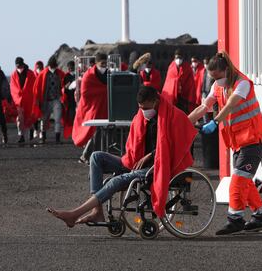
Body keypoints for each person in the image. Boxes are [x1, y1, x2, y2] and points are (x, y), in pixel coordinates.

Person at [47, 86, 197, 227]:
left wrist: (149, 156)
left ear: (156, 101)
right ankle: (97, 211)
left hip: (155, 167)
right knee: (96, 157)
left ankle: (74, 214)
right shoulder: (141, 116)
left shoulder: (174, 116)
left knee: (118, 180)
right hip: (134, 162)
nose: (143, 111)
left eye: (145, 108)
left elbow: (174, 147)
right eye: (140, 108)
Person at [188, 51, 262, 235]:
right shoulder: (218, 86)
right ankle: (261, 217)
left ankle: (235, 219)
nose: (216, 81)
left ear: (226, 70)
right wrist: (185, 123)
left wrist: (215, 121)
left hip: (253, 139)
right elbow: (204, 106)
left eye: (218, 77)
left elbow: (231, 104)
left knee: (238, 181)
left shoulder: (242, 83)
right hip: (239, 141)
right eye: (212, 78)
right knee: (246, 182)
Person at [72, 53, 108, 163]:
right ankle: (86, 156)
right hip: (91, 107)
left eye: (105, 63)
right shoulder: (88, 75)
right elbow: (85, 92)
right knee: (95, 131)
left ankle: (89, 156)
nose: (104, 65)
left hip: (103, 106)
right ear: (96, 63)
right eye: (102, 63)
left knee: (99, 131)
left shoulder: (108, 73)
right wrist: (105, 90)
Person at [33, 56, 65, 144]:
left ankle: (57, 138)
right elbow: (37, 87)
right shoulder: (43, 74)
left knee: (57, 119)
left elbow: (64, 82)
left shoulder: (59, 73)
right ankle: (43, 137)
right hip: (46, 100)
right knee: (44, 119)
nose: (53, 68)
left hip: (56, 100)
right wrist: (37, 100)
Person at [10, 57, 37, 144]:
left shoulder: (30, 73)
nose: (19, 68)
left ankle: (32, 129)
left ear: (23, 65)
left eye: (20, 66)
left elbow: (34, 86)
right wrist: (18, 94)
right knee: (20, 118)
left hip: (29, 99)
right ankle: (21, 135)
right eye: (17, 66)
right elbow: (13, 87)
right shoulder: (14, 74)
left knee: (29, 117)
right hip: (18, 101)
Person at [162, 49, 196, 114]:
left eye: (180, 58)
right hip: (173, 95)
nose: (178, 60)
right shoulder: (171, 67)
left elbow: (190, 82)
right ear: (174, 58)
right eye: (177, 58)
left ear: (182, 58)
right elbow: (168, 82)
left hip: (184, 95)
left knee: (183, 112)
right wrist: (176, 81)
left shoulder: (187, 67)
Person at [62, 60, 77, 139]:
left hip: (76, 99)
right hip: (70, 99)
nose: (70, 69)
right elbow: (63, 88)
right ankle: (73, 131)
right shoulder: (66, 76)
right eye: (69, 67)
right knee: (71, 116)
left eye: (71, 67)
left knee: (75, 115)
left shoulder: (77, 75)